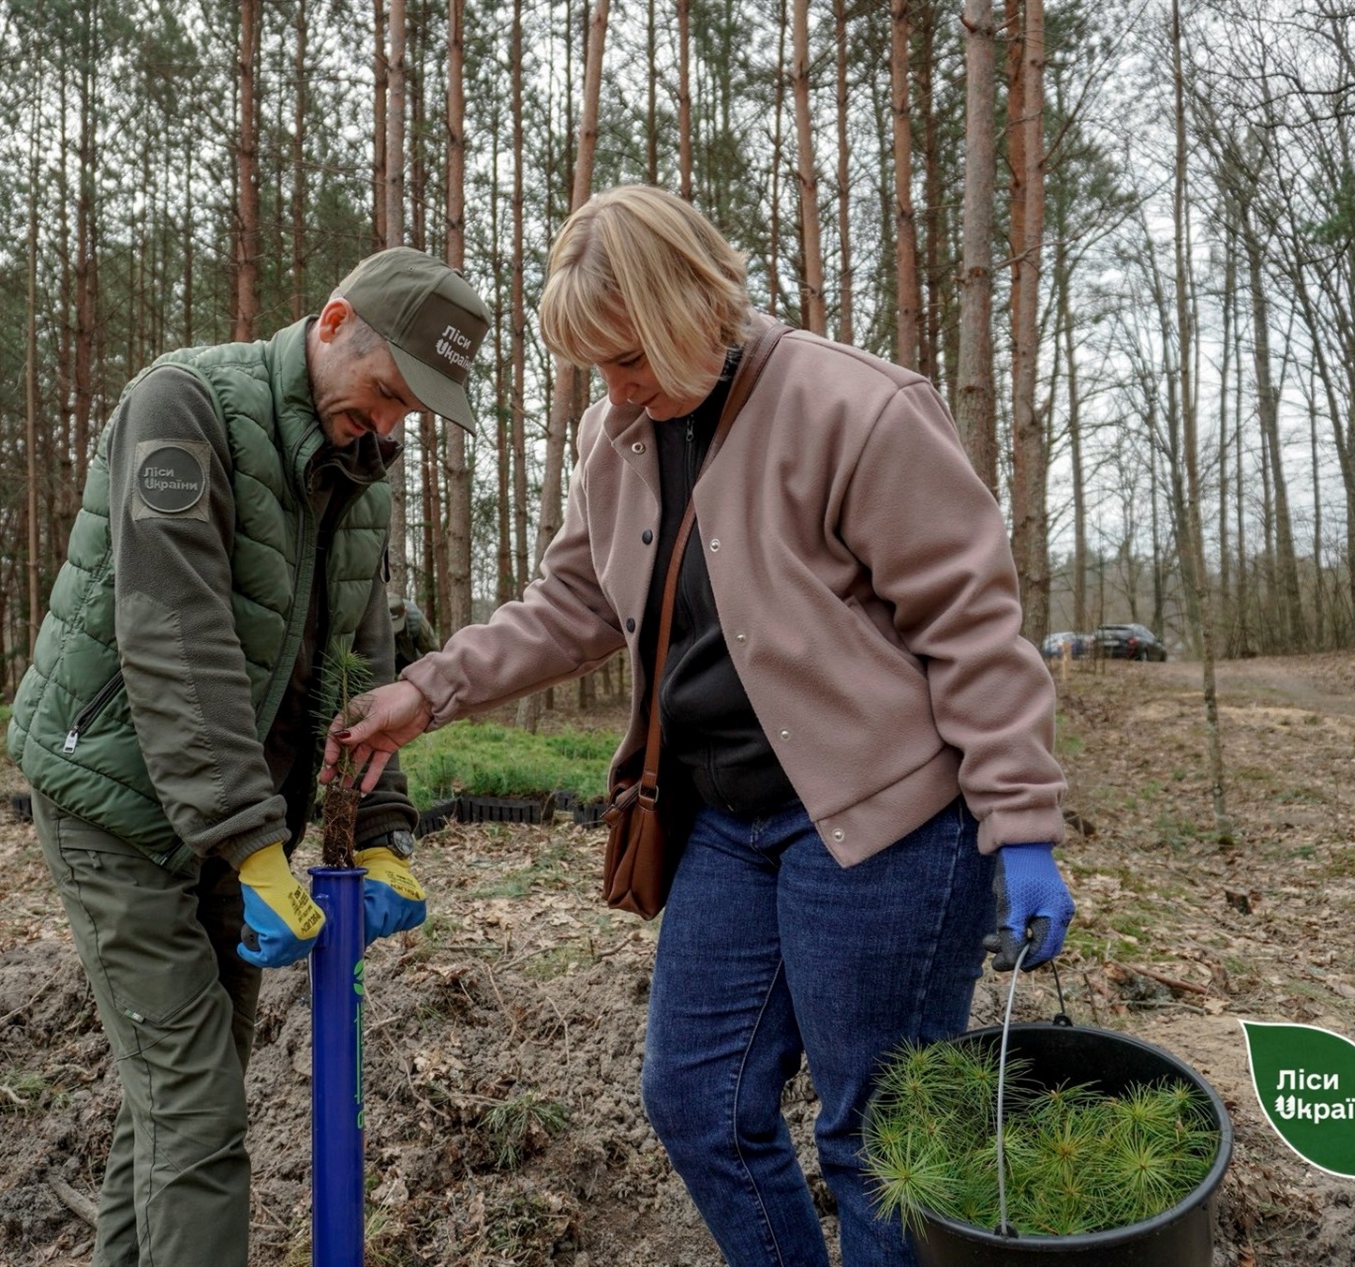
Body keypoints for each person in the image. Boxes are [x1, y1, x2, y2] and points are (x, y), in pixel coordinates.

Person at [324, 187, 1074, 1267]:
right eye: (596, 368)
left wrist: (1023, 824)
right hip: (725, 819)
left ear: (690, 310)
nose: (614, 388)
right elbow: (573, 604)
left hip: (883, 824)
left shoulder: (854, 409)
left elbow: (974, 627)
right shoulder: (614, 432)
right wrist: (428, 689)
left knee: (879, 1135)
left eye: (628, 358)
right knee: (696, 1101)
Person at [8, 247, 490, 1267]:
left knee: (178, 1097)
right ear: (330, 323)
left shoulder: (358, 475)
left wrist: (386, 828)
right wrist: (251, 843)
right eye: (384, 392)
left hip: (235, 821)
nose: (391, 424)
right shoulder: (182, 408)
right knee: (196, 1111)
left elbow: (359, 669)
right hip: (118, 799)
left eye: (413, 411)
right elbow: (172, 635)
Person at [388, 591, 443, 675]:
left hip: (407, 656)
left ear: (405, 612)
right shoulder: (371, 619)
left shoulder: (416, 620)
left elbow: (432, 652)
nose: (394, 632)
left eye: (396, 625)